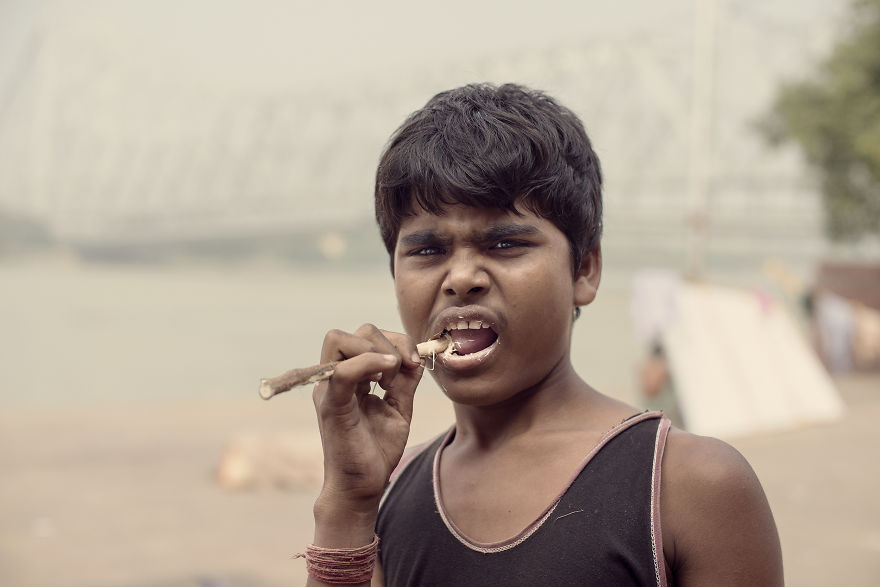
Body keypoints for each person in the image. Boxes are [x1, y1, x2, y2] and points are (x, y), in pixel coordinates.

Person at [303, 83, 783, 586]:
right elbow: (352, 510)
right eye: (426, 251)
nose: (461, 277)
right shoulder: (393, 489)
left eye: (506, 242)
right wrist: (348, 503)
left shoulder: (687, 485)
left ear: (585, 271)